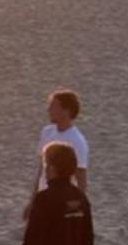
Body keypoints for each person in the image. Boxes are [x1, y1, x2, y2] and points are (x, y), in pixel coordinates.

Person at [25, 88, 88, 218]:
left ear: (67, 111)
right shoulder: (47, 132)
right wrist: (32, 201)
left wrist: (79, 208)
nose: (49, 110)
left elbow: (81, 177)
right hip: (43, 197)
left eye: (53, 106)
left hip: (63, 202)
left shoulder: (77, 140)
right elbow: (41, 169)